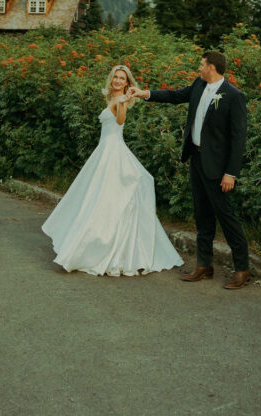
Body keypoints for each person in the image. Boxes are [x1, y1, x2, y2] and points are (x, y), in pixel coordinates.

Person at [42, 64, 183, 277]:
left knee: (111, 198)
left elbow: (120, 121)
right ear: (112, 80)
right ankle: (89, 243)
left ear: (127, 83)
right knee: (96, 198)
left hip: (113, 151)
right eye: (116, 77)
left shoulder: (120, 101)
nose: (118, 81)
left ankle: (109, 247)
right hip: (103, 151)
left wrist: (123, 103)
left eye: (122, 78)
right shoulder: (110, 98)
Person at [128, 50, 250, 289]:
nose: (199, 68)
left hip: (218, 168)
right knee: (202, 214)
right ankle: (204, 265)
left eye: (202, 65)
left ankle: (242, 269)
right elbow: (174, 95)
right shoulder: (198, 84)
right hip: (196, 159)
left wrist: (231, 173)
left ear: (212, 67)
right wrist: (145, 94)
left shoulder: (234, 96)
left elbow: (238, 139)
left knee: (226, 217)